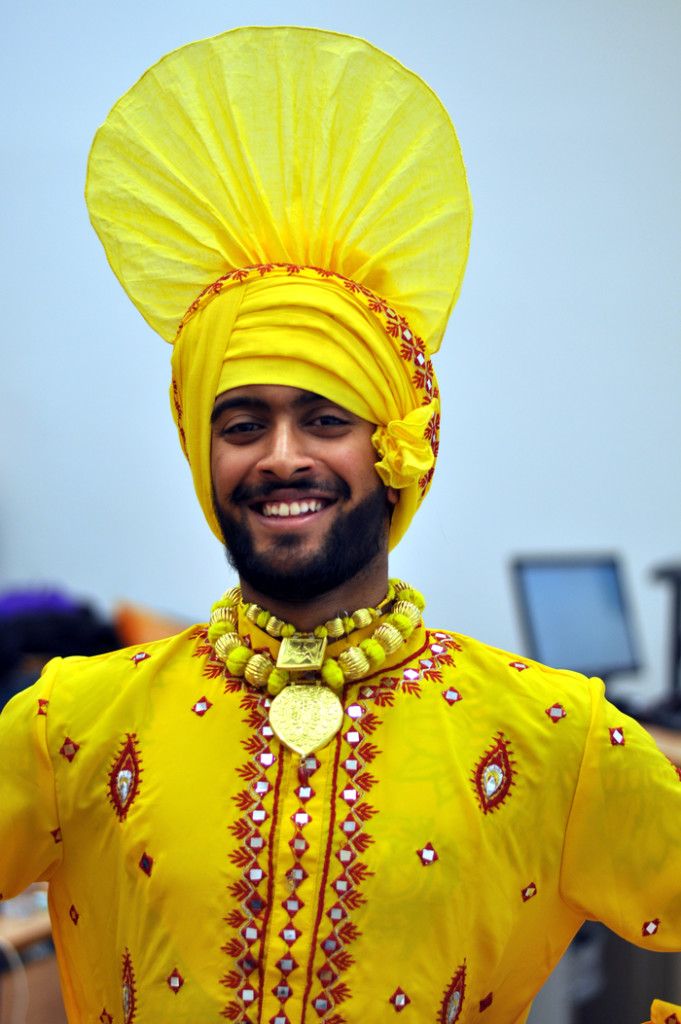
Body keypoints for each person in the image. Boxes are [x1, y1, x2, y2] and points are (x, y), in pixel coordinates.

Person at [1, 27, 680, 1024]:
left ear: (398, 450)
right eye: (243, 423)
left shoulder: (551, 741)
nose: (282, 455)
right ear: (204, 454)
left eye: (326, 418)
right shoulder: (72, 725)